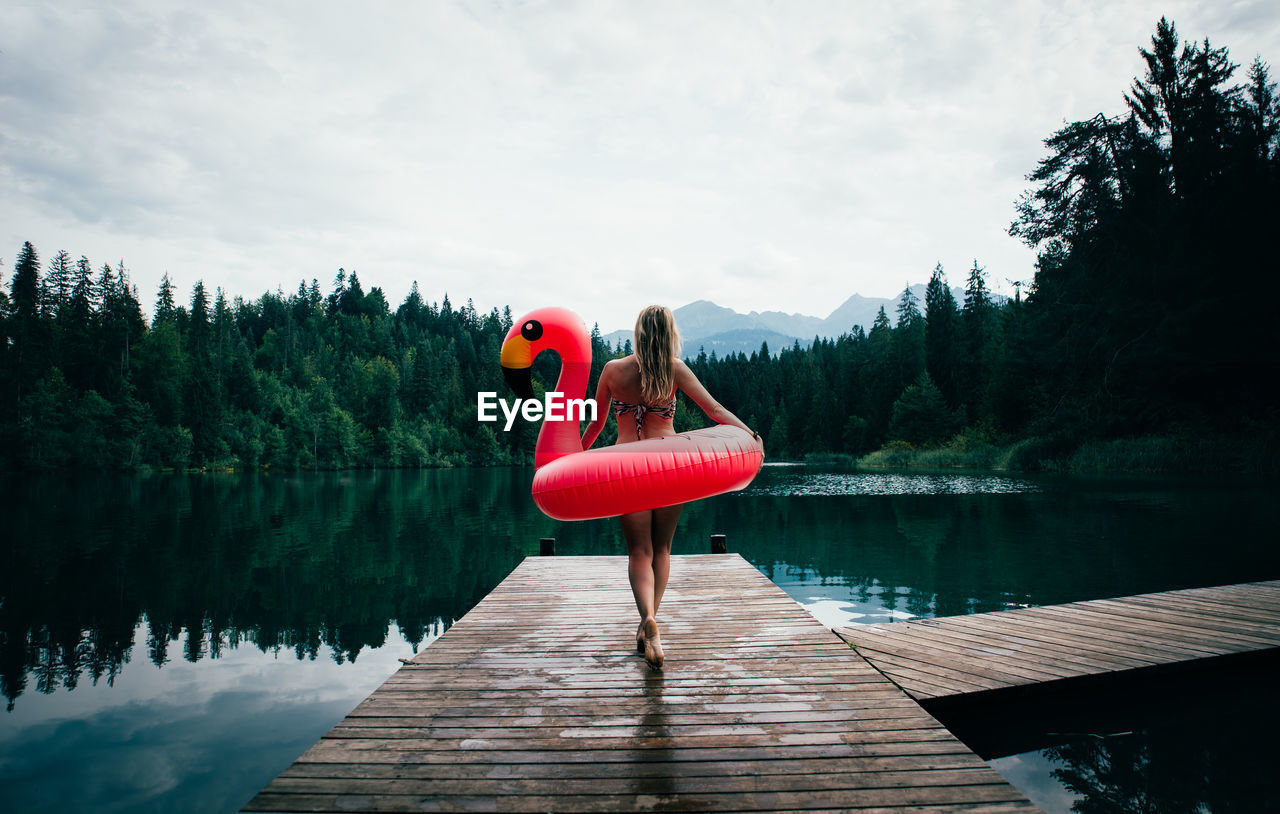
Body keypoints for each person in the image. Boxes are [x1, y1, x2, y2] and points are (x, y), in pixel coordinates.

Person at [580, 305, 756, 670]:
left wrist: (576, 456)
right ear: (669, 334)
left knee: (638, 551)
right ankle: (650, 623)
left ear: (638, 332)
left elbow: (596, 424)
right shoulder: (674, 369)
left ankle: (648, 621)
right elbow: (714, 409)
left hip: (625, 465)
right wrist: (749, 434)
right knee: (662, 548)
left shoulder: (613, 370)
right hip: (669, 465)